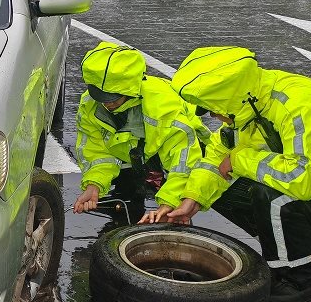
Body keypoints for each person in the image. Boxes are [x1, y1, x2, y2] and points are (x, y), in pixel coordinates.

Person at [143, 46, 311, 302]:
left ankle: (304, 281)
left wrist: (240, 160)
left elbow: (304, 180)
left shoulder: (302, 106)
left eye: (213, 109)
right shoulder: (250, 104)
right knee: (223, 189)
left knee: (274, 198)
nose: (213, 116)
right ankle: (306, 244)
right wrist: (191, 199)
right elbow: (217, 158)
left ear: (230, 99)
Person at [72, 42, 210, 222]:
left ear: (130, 91)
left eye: (113, 98)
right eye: (101, 97)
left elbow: (183, 160)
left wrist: (168, 204)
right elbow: (97, 151)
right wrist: (94, 184)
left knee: (174, 207)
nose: (107, 104)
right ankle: (131, 205)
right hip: (135, 152)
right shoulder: (90, 104)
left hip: (183, 152)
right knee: (127, 197)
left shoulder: (161, 107)